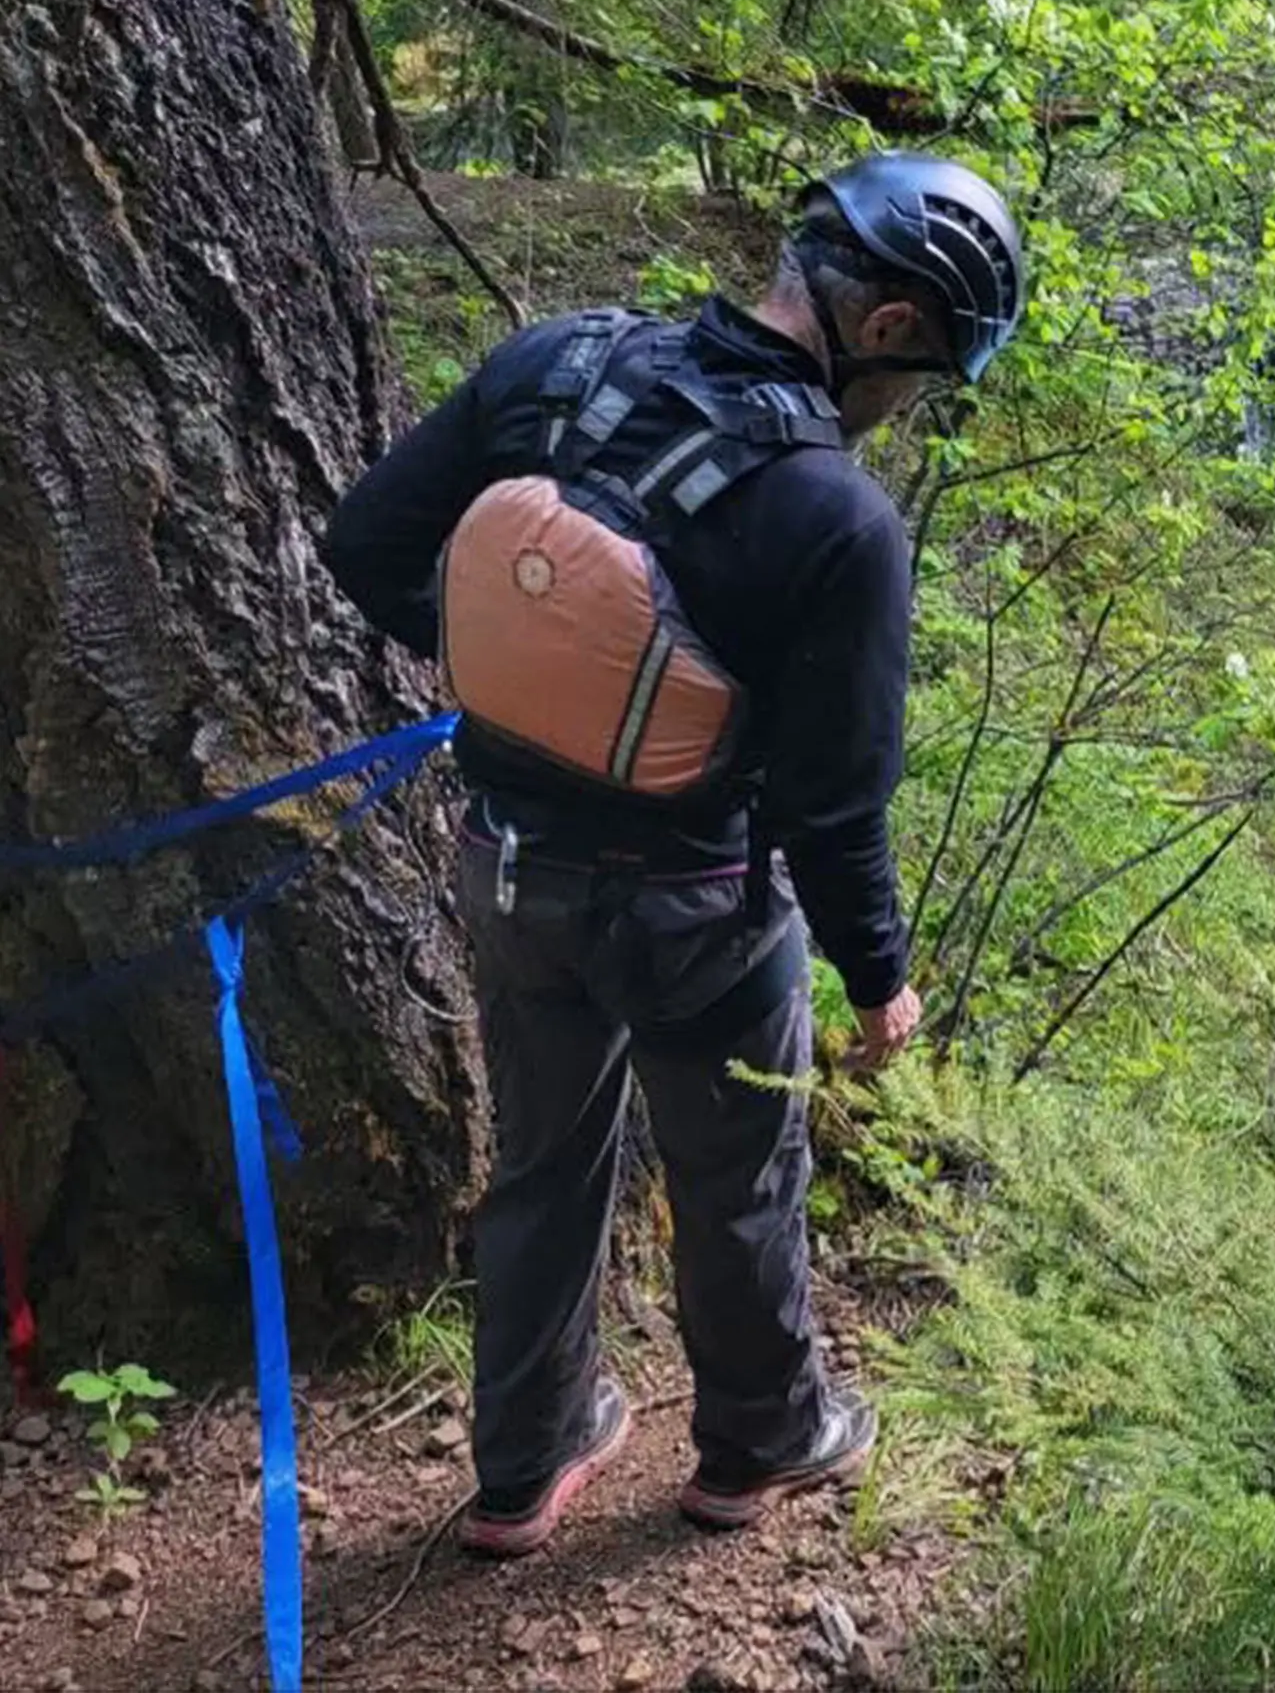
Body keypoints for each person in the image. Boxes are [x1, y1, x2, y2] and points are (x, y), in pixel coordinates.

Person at [322, 151, 1024, 1556]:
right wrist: (880, 978)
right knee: (738, 1178)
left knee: (541, 1164)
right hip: (704, 905)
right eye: (923, 376)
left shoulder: (555, 368)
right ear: (884, 330)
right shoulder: (837, 520)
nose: (901, 410)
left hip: (509, 869)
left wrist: (514, 676)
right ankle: (758, 1440)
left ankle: (524, 1462)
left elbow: (369, 545)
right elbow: (835, 805)